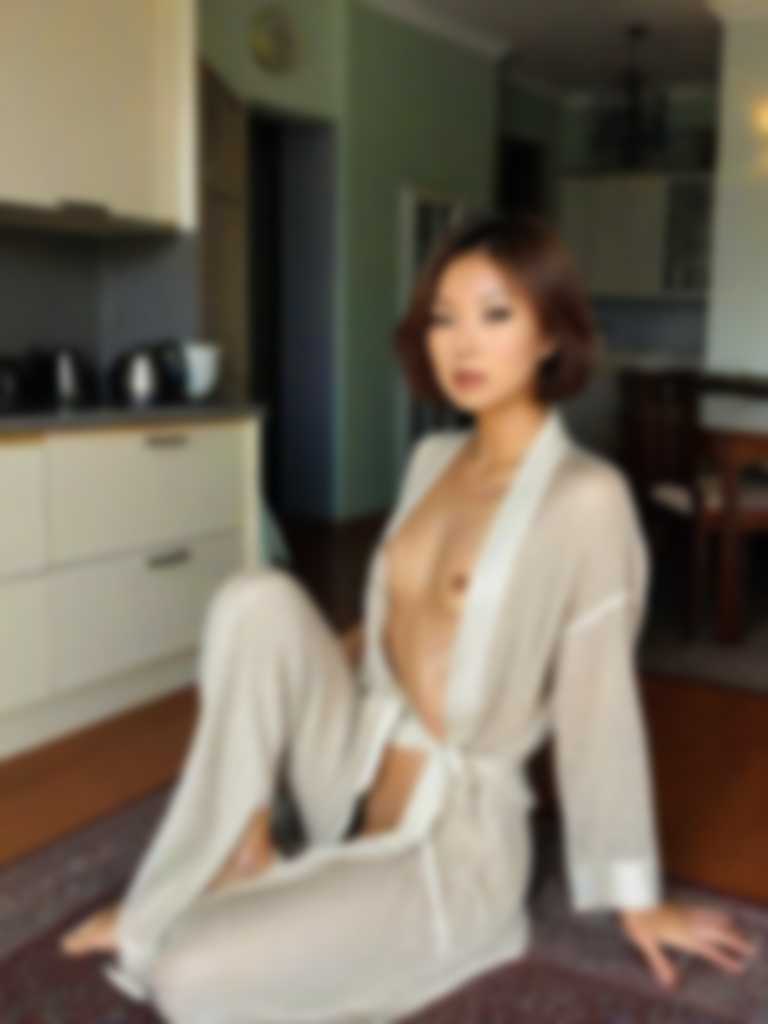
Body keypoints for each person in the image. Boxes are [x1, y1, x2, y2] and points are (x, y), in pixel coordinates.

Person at [59, 212, 758, 1021]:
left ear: (549, 334)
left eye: (495, 315)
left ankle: (251, 906)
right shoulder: (430, 460)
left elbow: (598, 708)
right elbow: (396, 625)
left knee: (185, 975)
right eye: (443, 318)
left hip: (449, 844)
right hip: (352, 772)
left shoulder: (584, 499)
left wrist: (639, 899)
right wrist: (291, 683)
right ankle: (242, 849)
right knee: (256, 600)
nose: (463, 343)